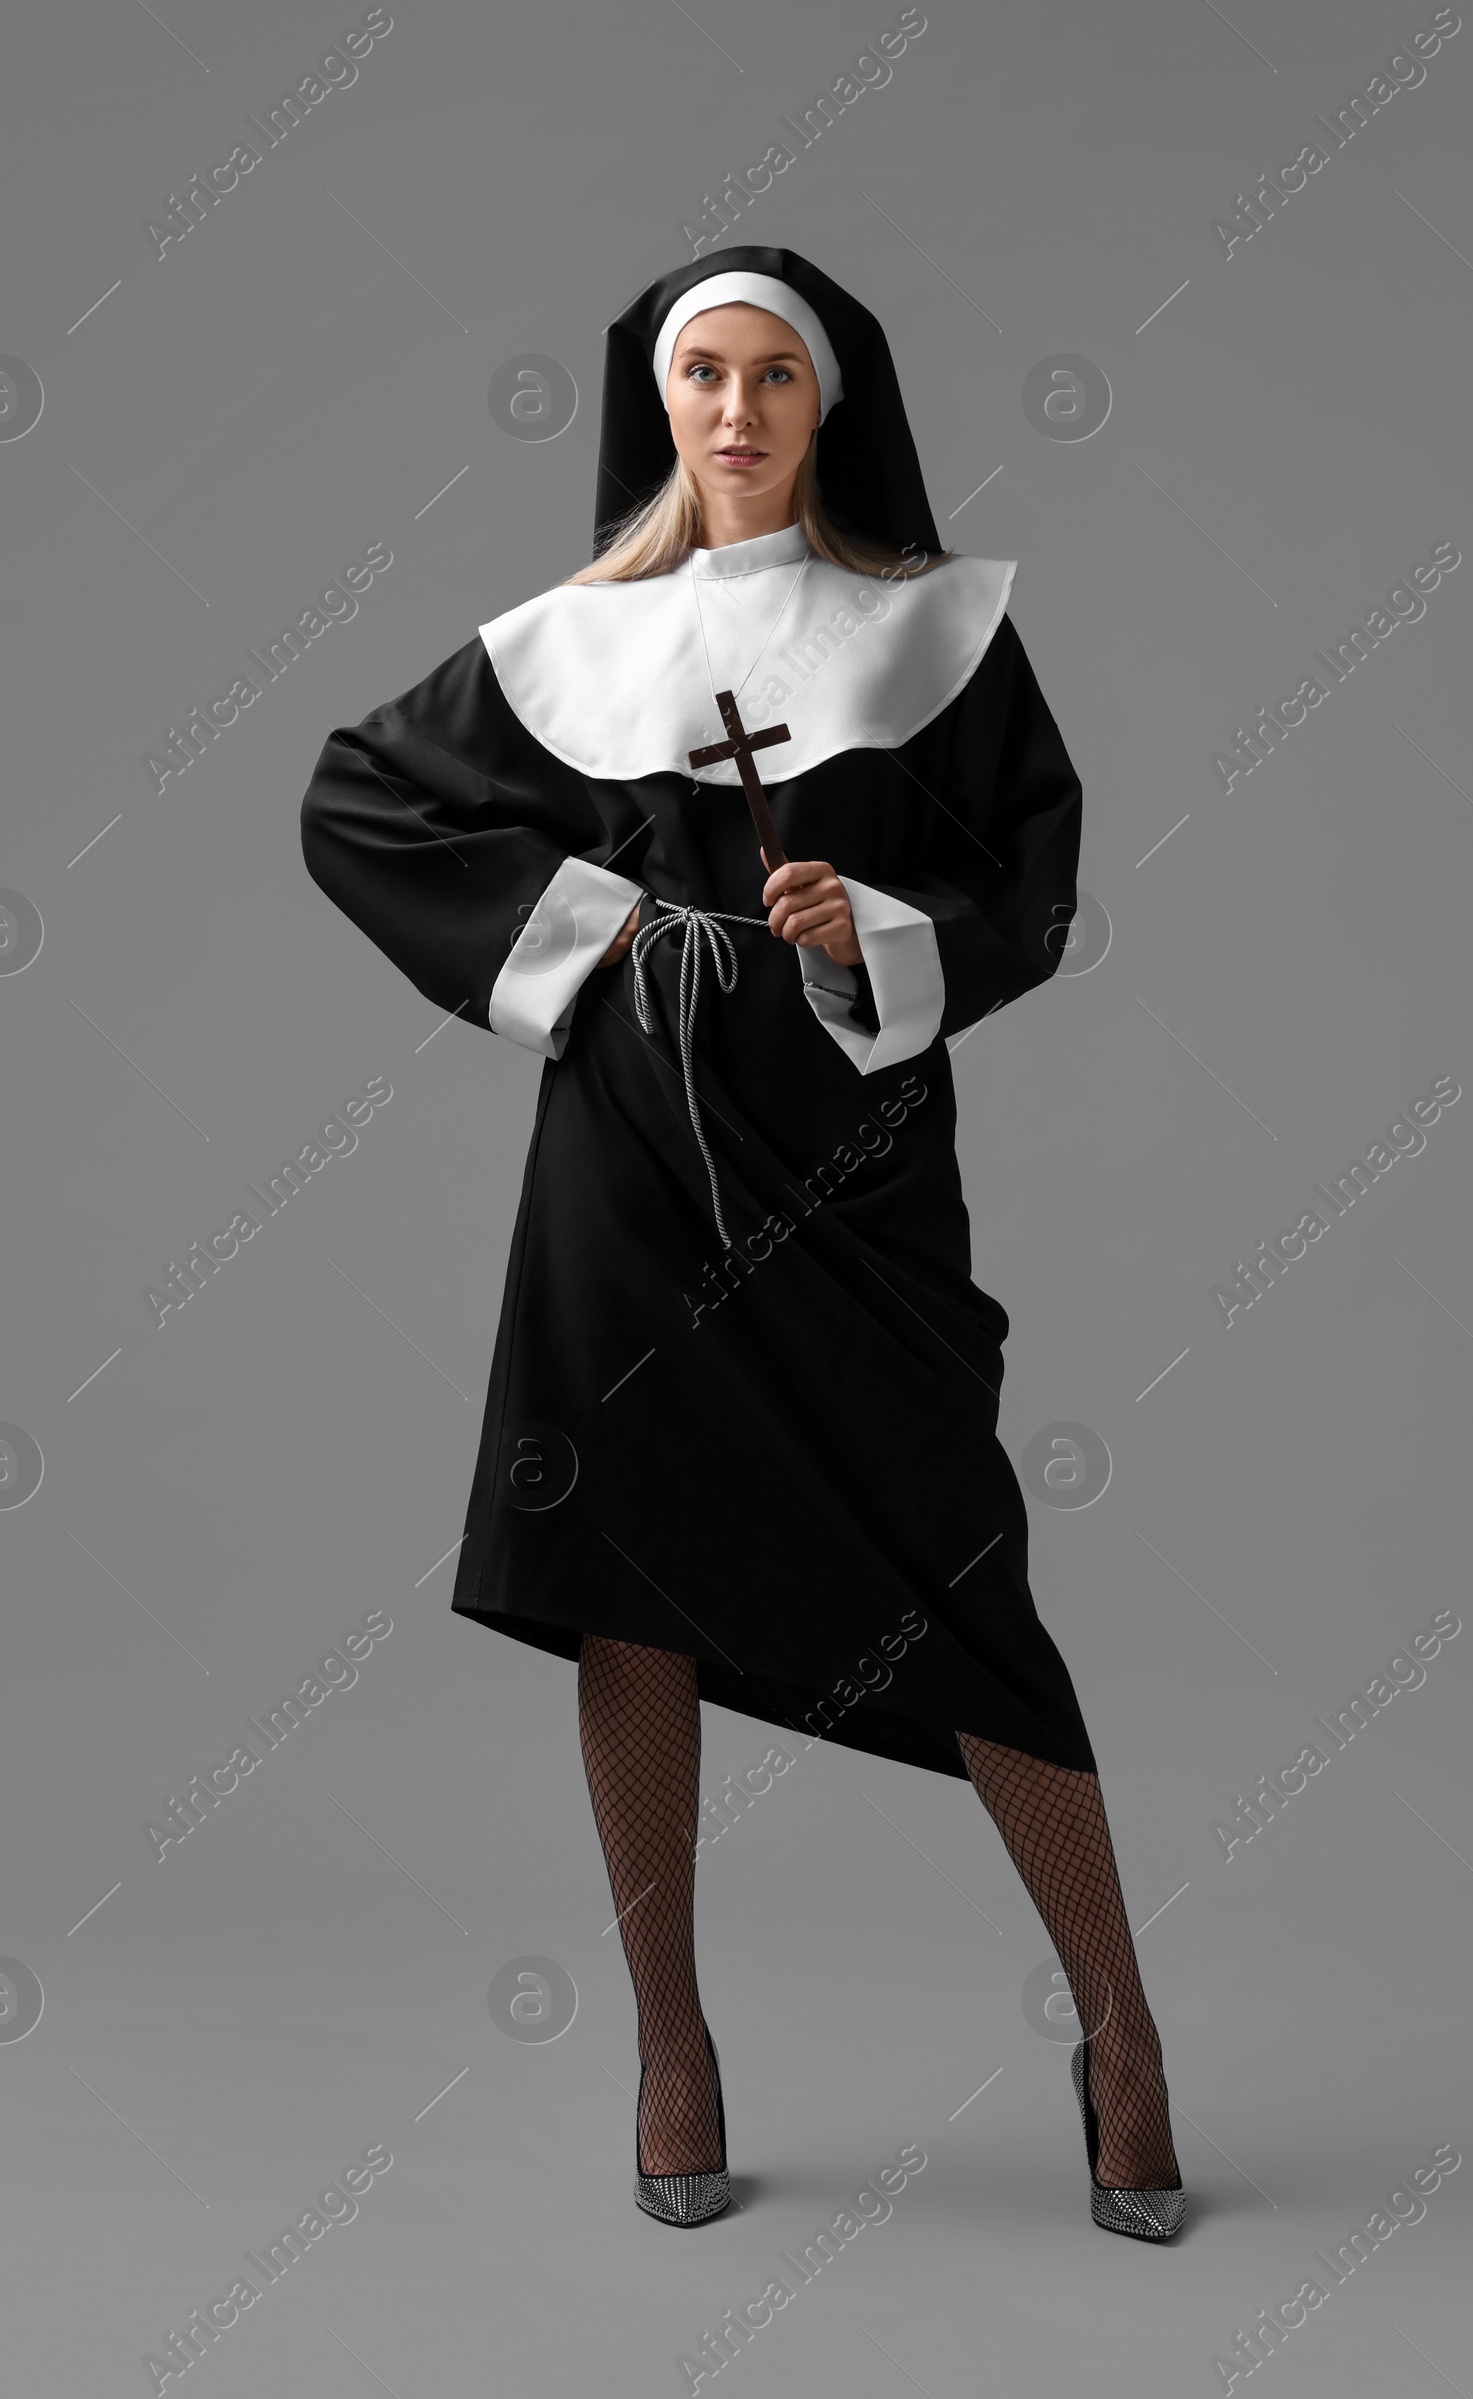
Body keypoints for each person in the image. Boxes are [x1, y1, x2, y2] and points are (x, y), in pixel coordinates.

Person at [299, 246, 1184, 2242]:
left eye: (772, 376)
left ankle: (1117, 2030)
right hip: (622, 1163)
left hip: (851, 1155)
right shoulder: (568, 642)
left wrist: (875, 936)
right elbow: (363, 805)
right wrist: (585, 934)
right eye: (701, 373)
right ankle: (670, 2044)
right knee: (633, 1573)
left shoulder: (929, 631)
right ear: (658, 400)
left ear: (828, 403)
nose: (733, 408)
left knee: (953, 1567)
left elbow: (1025, 877)